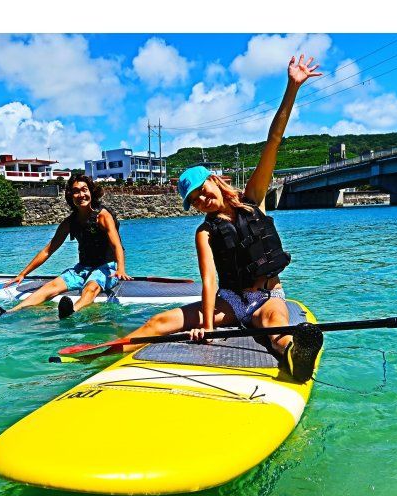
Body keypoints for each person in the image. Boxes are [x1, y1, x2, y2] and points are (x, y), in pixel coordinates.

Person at [113, 55, 324, 382]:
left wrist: (292, 88)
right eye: (193, 201)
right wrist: (208, 327)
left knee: (275, 328)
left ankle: (296, 355)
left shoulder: (253, 199)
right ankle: (107, 354)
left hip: (265, 297)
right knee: (158, 323)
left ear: (214, 179)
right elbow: (210, 279)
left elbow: (274, 141)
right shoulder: (205, 232)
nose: (200, 200)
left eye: (200, 190)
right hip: (227, 303)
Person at [0, 174, 131, 319]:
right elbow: (48, 250)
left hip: (107, 267)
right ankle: (9, 312)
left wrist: (120, 269)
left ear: (91, 192)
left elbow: (117, 245)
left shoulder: (103, 216)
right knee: (51, 286)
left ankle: (72, 311)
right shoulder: (70, 222)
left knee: (91, 287)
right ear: (70, 196)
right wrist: (23, 274)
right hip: (82, 268)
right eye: (76, 191)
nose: (81, 195)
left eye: (84, 190)